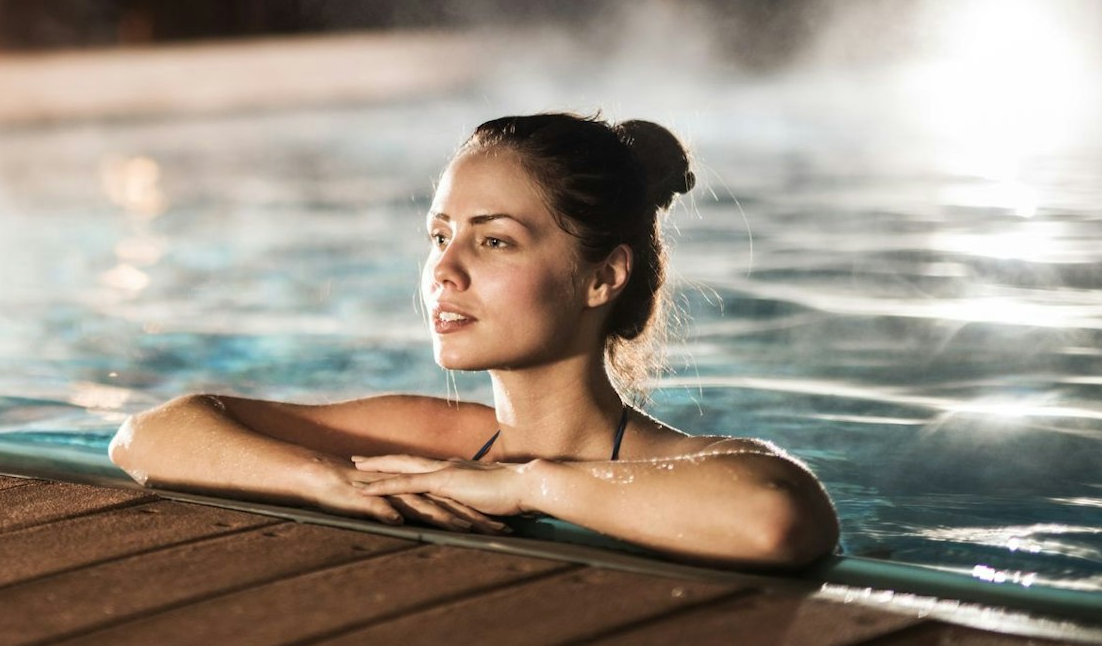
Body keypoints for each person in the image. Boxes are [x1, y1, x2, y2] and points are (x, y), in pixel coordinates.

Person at [110, 112, 841, 569]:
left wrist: (524, 483)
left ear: (602, 277)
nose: (444, 271)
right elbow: (150, 436)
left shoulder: (683, 465)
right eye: (438, 235)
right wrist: (324, 477)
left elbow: (777, 516)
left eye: (494, 240)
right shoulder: (436, 437)